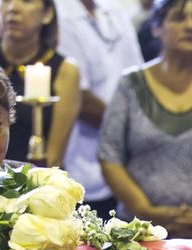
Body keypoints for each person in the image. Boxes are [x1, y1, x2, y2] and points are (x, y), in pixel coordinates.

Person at [99, 0, 192, 238]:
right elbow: (109, 154)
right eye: (178, 17)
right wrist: (148, 212)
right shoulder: (131, 83)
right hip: (139, 231)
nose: (191, 26)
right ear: (156, 27)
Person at [0, 0, 80, 168]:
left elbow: (54, 159)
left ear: (47, 14)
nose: (13, 8)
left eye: (26, 1)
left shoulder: (65, 70)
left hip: (36, 176)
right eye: (6, 1)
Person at [54, 0, 145, 219]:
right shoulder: (59, 13)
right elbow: (79, 96)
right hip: (82, 161)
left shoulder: (113, 11)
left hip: (127, 162)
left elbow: (141, 79)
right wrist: (128, 131)